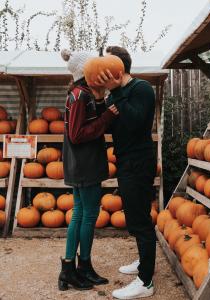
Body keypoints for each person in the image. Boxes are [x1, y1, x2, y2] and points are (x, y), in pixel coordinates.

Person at [95, 46, 157, 299]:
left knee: (141, 220)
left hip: (139, 161)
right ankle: (144, 263)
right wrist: (101, 98)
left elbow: (135, 122)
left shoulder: (141, 89)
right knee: (133, 215)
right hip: (125, 161)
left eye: (104, 67)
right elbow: (107, 123)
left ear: (116, 69)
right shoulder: (116, 94)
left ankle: (146, 282)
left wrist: (116, 91)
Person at [58, 49, 116, 291]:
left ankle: (76, 268)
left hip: (81, 164)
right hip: (84, 164)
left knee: (81, 213)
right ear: (86, 72)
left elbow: (87, 122)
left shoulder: (82, 94)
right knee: (88, 214)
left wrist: (101, 101)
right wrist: (107, 119)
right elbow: (77, 134)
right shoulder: (80, 96)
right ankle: (74, 267)